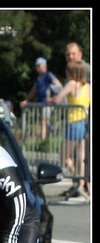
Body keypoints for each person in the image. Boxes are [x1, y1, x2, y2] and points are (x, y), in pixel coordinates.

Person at [47, 61, 90, 200]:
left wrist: (53, 100)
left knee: (64, 156)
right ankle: (82, 182)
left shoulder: (72, 83)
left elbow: (59, 99)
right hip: (83, 122)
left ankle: (78, 179)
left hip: (73, 123)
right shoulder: (87, 86)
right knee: (80, 157)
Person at [19, 57, 63, 141]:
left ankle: (43, 140)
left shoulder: (49, 75)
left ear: (44, 66)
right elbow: (34, 90)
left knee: (43, 120)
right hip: (41, 103)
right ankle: (52, 130)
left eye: (38, 66)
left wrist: (52, 98)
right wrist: (27, 100)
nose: (37, 68)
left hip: (47, 103)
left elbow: (59, 87)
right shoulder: (38, 78)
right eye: (36, 66)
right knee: (44, 121)